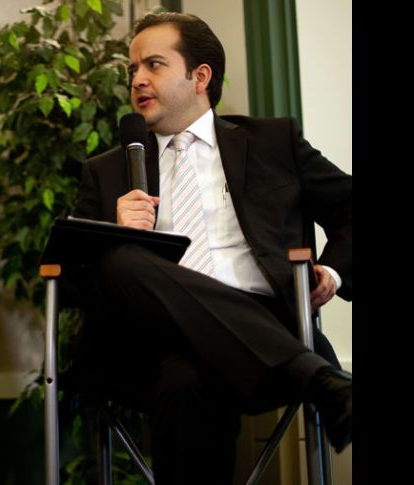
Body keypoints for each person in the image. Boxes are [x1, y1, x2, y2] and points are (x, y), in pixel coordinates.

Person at [72, 12, 351, 484]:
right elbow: (75, 280)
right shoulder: (106, 171)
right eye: (132, 69)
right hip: (149, 340)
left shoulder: (272, 143)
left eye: (154, 65)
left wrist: (334, 272)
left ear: (200, 76)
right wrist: (114, 231)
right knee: (121, 258)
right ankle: (317, 378)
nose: (137, 80)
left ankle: (305, 371)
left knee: (185, 380)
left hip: (264, 324)